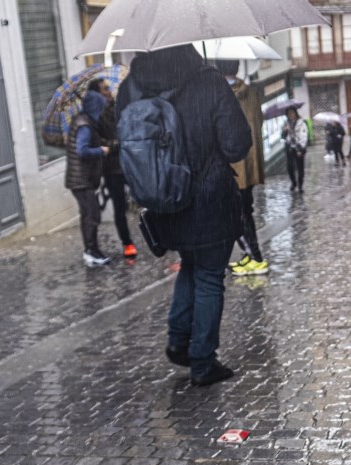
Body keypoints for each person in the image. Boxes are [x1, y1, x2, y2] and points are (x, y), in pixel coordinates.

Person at [117, 45, 251, 387]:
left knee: (190, 264)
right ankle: (203, 361)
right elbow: (237, 145)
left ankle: (179, 341)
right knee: (208, 274)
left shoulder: (131, 86)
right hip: (208, 200)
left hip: (162, 200)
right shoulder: (209, 81)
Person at [216, 60, 269, 278]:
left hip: (232, 165)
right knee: (246, 211)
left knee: (235, 216)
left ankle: (256, 258)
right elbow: (259, 122)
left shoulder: (221, 96)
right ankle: (249, 256)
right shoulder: (251, 92)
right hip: (250, 162)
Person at [68, 80, 112, 267]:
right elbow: (82, 150)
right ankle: (91, 251)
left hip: (83, 178)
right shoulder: (84, 125)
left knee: (89, 214)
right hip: (81, 179)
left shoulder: (86, 122)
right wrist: (101, 151)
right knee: (91, 214)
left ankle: (91, 250)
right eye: (100, 107)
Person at [93, 82, 137, 259]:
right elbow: (98, 143)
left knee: (150, 197)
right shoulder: (95, 117)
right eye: (105, 89)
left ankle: (161, 236)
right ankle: (127, 243)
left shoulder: (118, 108)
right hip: (112, 169)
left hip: (129, 163)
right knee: (120, 208)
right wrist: (117, 143)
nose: (109, 92)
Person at [282, 106, 308, 192]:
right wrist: (285, 131)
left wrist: (301, 149)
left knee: (300, 168)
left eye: (292, 113)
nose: (291, 115)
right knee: (290, 168)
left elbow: (304, 137)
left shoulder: (301, 123)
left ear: (295, 113)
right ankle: (294, 183)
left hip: (299, 148)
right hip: (290, 148)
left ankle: (300, 186)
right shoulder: (286, 124)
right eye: (289, 113)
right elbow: (282, 137)